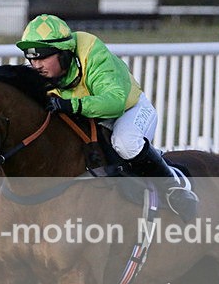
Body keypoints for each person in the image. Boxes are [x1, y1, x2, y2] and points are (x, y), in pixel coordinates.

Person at [16, 14, 198, 220]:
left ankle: (175, 187)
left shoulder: (92, 53)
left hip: (129, 109)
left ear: (65, 53)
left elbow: (115, 102)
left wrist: (71, 105)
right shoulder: (45, 74)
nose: (36, 65)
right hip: (91, 116)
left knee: (125, 143)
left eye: (43, 57)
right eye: (31, 57)